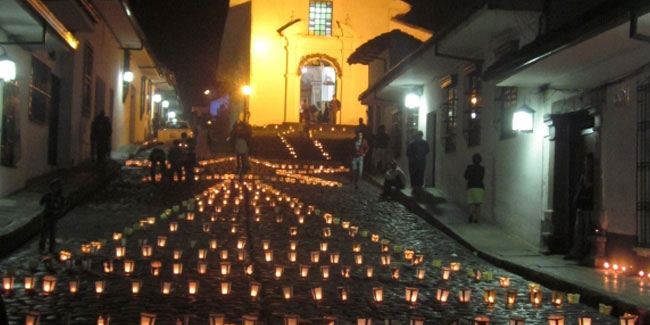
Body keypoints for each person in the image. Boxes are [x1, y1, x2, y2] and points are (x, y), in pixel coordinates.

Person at [566, 153, 595, 260]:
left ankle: (584, 252)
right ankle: (576, 251)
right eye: (585, 162)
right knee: (578, 229)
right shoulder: (583, 175)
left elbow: (589, 187)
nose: (586, 164)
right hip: (581, 205)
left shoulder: (593, 176)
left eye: (588, 162)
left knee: (587, 230)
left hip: (589, 207)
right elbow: (580, 189)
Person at [39, 178, 65, 254]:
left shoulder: (61, 198)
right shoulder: (48, 195)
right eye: (53, 187)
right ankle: (42, 247)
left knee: (53, 234)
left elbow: (62, 207)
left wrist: (57, 210)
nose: (54, 189)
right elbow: (41, 202)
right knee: (44, 233)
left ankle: (51, 249)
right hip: (47, 216)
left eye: (56, 187)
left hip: (54, 217)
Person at [464, 153, 485, 223]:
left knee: (471, 203)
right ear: (480, 160)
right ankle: (476, 219)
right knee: (478, 204)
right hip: (479, 187)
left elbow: (465, 176)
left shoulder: (469, 167)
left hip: (471, 186)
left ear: (473, 160)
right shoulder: (482, 168)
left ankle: (471, 215)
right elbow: (482, 177)